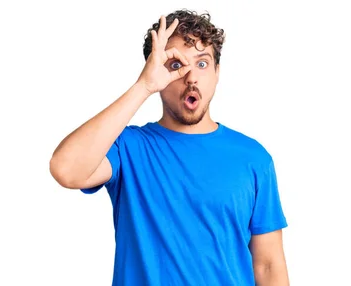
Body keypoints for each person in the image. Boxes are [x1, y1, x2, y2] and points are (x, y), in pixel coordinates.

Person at [49, 9, 289, 286]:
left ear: (217, 72)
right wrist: (143, 86)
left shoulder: (253, 158)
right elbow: (65, 169)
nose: (191, 78)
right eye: (176, 65)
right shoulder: (127, 148)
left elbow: (269, 265)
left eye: (202, 64)